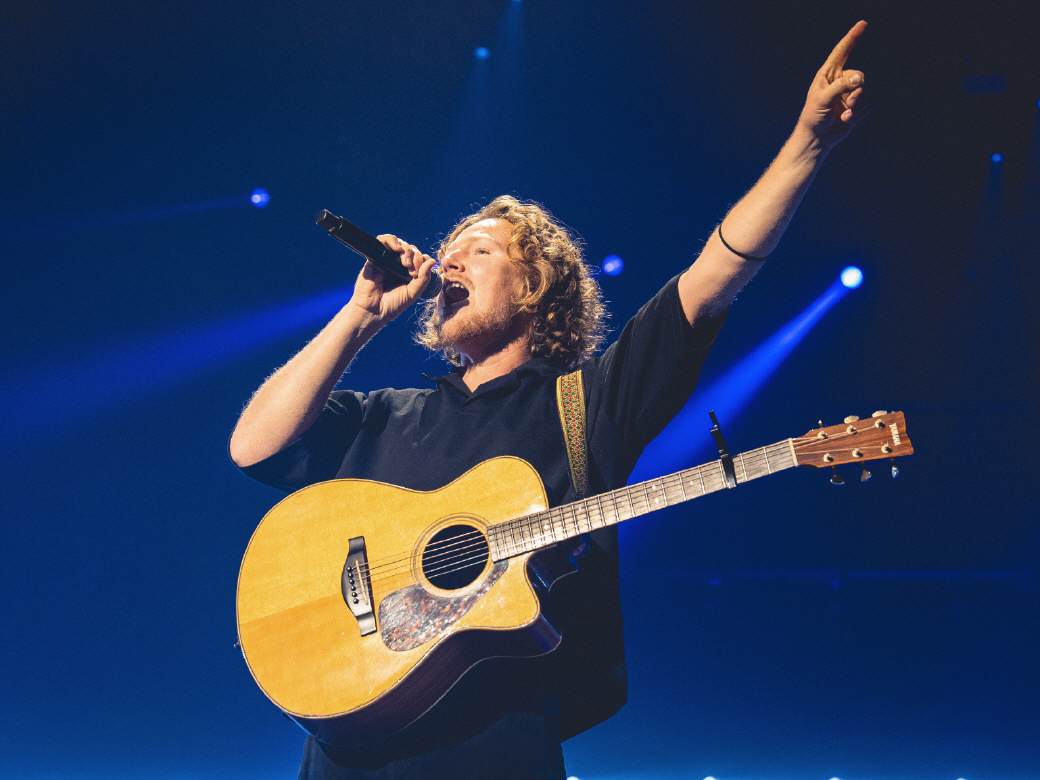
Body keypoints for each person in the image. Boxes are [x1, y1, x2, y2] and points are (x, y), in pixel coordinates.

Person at [230, 21, 871, 780]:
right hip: (351, 747)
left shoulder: (586, 404)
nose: (450, 262)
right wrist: (359, 317)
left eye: (480, 250)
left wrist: (805, 145)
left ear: (535, 285)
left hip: (496, 748)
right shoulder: (384, 414)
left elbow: (711, 280)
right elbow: (255, 448)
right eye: (450, 249)